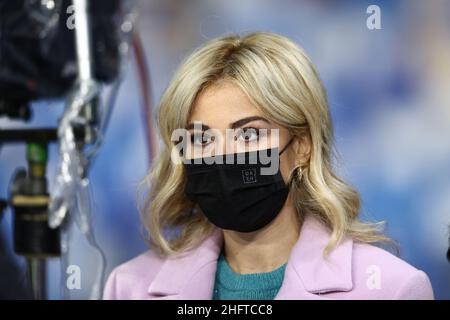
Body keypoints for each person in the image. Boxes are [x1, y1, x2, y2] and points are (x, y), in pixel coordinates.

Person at [103, 32, 434, 300]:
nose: (223, 156)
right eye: (201, 140)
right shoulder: (129, 287)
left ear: (302, 146)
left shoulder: (391, 289)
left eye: (248, 135)